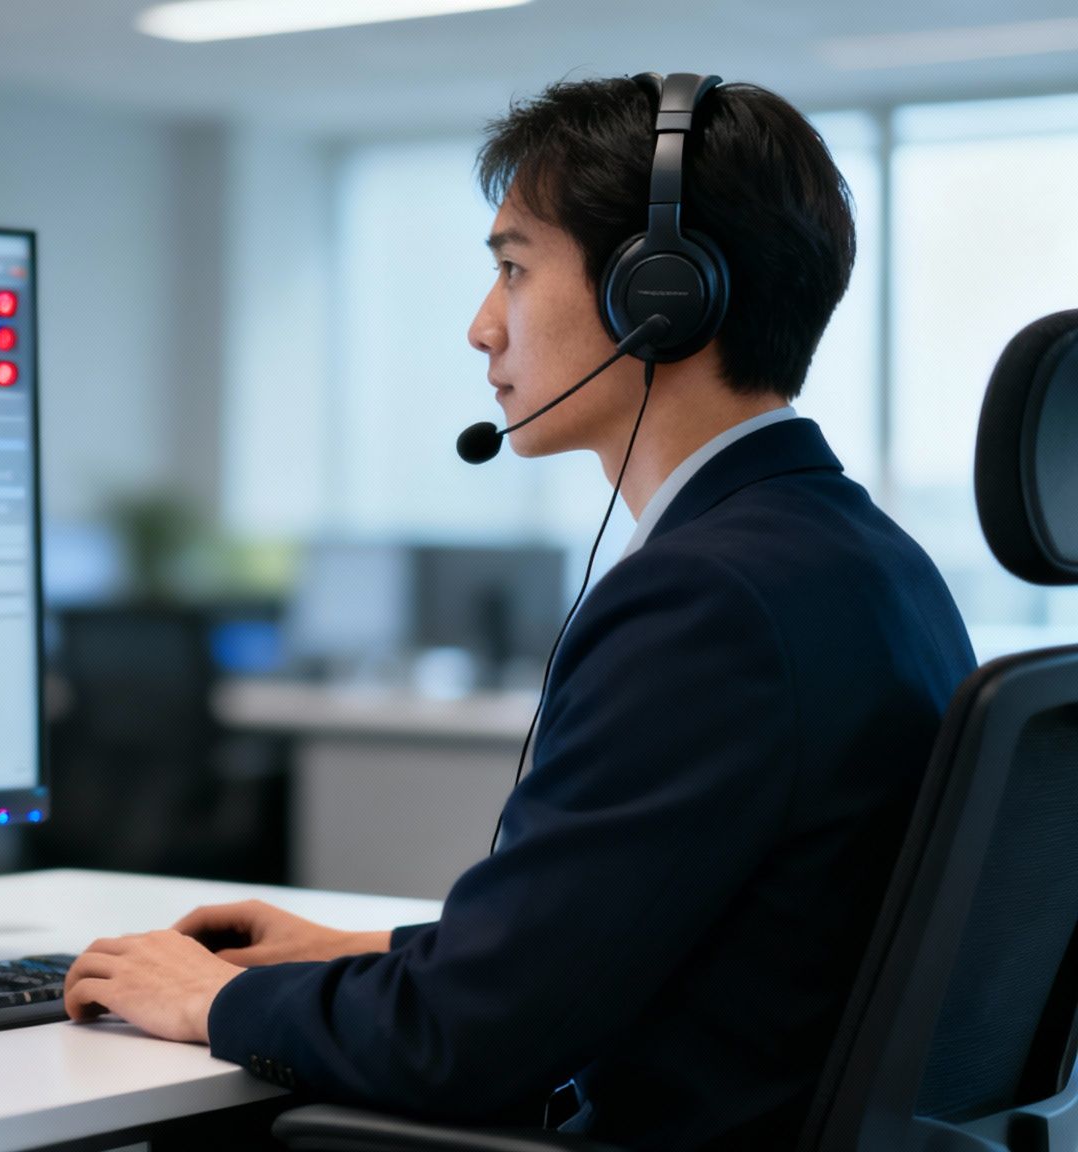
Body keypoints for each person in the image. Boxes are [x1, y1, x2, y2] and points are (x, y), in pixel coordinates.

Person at [60, 74, 978, 1150]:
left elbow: (463, 1044)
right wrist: (354, 948)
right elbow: (665, 935)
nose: (478, 327)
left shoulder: (703, 602)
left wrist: (206, 1000)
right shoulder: (862, 559)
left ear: (659, 296)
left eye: (510, 268)